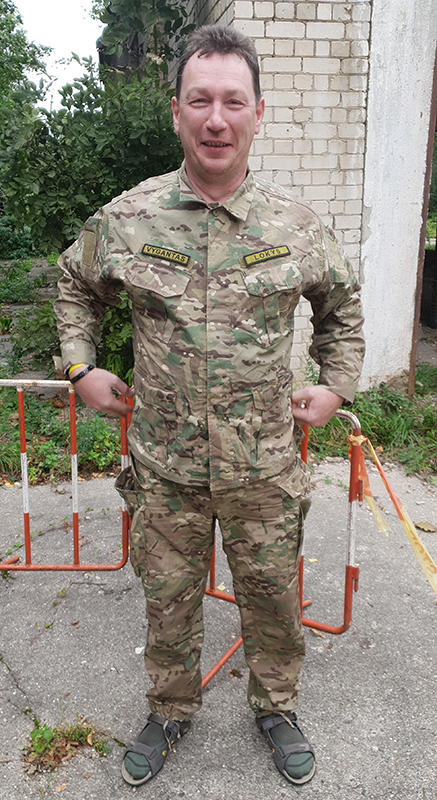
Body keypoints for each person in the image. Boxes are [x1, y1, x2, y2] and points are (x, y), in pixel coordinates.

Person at [55, 25, 365, 787]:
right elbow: (74, 286)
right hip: (166, 467)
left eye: (232, 101)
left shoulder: (296, 225)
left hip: (264, 466)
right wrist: (79, 366)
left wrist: (335, 385)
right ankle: (169, 709)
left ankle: (276, 706)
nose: (216, 119)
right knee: (167, 601)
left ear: (258, 113)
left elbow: (342, 310)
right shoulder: (129, 217)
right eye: (199, 101)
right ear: (176, 112)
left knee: (272, 600)